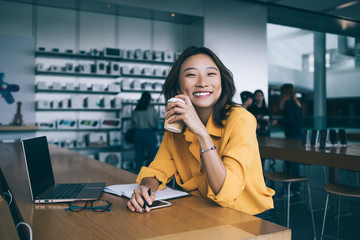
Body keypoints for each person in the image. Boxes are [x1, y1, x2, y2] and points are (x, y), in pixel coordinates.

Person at [127, 46, 278, 223]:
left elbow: (227, 193)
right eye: (191, 75)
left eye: (211, 74)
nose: (202, 82)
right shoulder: (177, 123)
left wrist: (202, 133)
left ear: (222, 80)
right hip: (206, 213)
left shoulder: (240, 119)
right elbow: (157, 169)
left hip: (251, 218)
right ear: (178, 85)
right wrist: (145, 189)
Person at [280, 83, 302, 193]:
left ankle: (292, 188)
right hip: (297, 134)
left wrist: (278, 122)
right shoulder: (296, 103)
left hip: (291, 136)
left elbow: (289, 120)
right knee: (294, 161)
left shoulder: (288, 103)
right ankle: (296, 187)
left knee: (290, 161)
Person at [131, 91, 158, 174]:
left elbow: (133, 124)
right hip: (148, 132)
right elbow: (153, 123)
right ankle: (152, 174)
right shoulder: (151, 109)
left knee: (139, 156)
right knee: (152, 156)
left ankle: (137, 174)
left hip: (138, 133)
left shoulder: (136, 109)